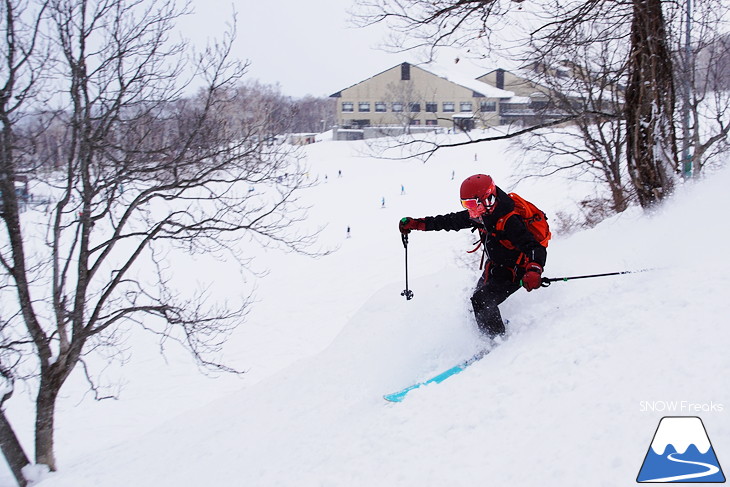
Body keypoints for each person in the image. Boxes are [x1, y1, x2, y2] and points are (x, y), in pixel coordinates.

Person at [398, 174, 547, 338]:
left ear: (488, 199)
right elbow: (450, 221)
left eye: (472, 204)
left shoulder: (510, 220)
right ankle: (489, 330)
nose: (470, 210)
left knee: (481, 301)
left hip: (515, 272)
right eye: (465, 204)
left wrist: (534, 269)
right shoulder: (481, 214)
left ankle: (496, 341)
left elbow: (534, 247)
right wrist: (417, 224)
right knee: (474, 303)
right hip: (495, 268)